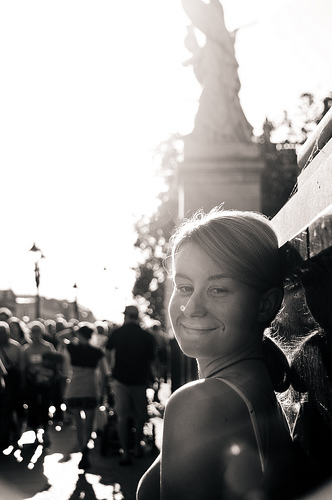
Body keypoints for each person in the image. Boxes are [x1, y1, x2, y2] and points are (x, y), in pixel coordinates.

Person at [137, 207, 309, 500]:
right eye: (185, 286)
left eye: (218, 289)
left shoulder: (200, 404)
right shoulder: (259, 387)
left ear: (265, 305)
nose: (191, 308)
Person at [105, 305, 156, 465]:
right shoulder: (146, 336)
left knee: (122, 416)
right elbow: (152, 360)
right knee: (140, 416)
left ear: (126, 316)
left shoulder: (118, 333)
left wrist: (111, 369)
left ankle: (125, 453)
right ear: (137, 316)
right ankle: (136, 447)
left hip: (120, 379)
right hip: (140, 380)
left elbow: (107, 352)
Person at [56, 322, 110, 469]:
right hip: (90, 389)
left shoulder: (73, 348)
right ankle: (85, 449)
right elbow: (106, 373)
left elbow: (59, 336)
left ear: (79, 335)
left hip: (75, 388)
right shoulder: (97, 352)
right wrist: (104, 391)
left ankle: (83, 450)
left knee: (78, 424)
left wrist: (73, 330)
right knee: (88, 424)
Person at [23, 321, 61, 446]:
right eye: (33, 331)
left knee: (45, 406)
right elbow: (24, 367)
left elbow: (55, 363)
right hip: (32, 383)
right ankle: (35, 434)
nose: (36, 334)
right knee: (32, 407)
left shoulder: (48, 347)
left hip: (46, 383)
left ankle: (45, 431)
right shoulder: (26, 349)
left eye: (38, 331)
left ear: (42, 332)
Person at [0, 321, 25, 449]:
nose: (2, 335)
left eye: (4, 332)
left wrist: (22, 383)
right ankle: (5, 436)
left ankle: (16, 433)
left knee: (17, 408)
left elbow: (21, 367)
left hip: (14, 381)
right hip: (1, 382)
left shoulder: (16, 347)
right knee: (4, 410)